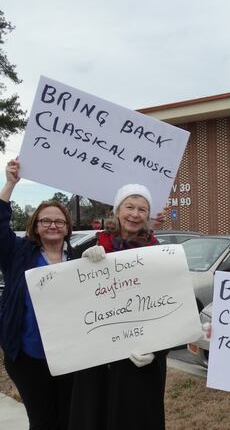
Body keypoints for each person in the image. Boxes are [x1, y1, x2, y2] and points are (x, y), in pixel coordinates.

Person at [0, 159, 74, 430]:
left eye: (59, 221)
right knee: (43, 421)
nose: (53, 225)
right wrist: (10, 183)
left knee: (70, 419)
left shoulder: (79, 258)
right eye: (46, 220)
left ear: (67, 227)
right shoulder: (18, 255)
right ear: (35, 225)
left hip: (71, 357)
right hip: (29, 357)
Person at [69, 183, 168, 430]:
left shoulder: (159, 252)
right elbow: (70, 298)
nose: (135, 214)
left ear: (148, 215)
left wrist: (157, 350)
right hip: (97, 361)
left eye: (142, 209)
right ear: (117, 210)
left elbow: (168, 305)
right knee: (96, 416)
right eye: (130, 207)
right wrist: (80, 265)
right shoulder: (91, 247)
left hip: (139, 360)